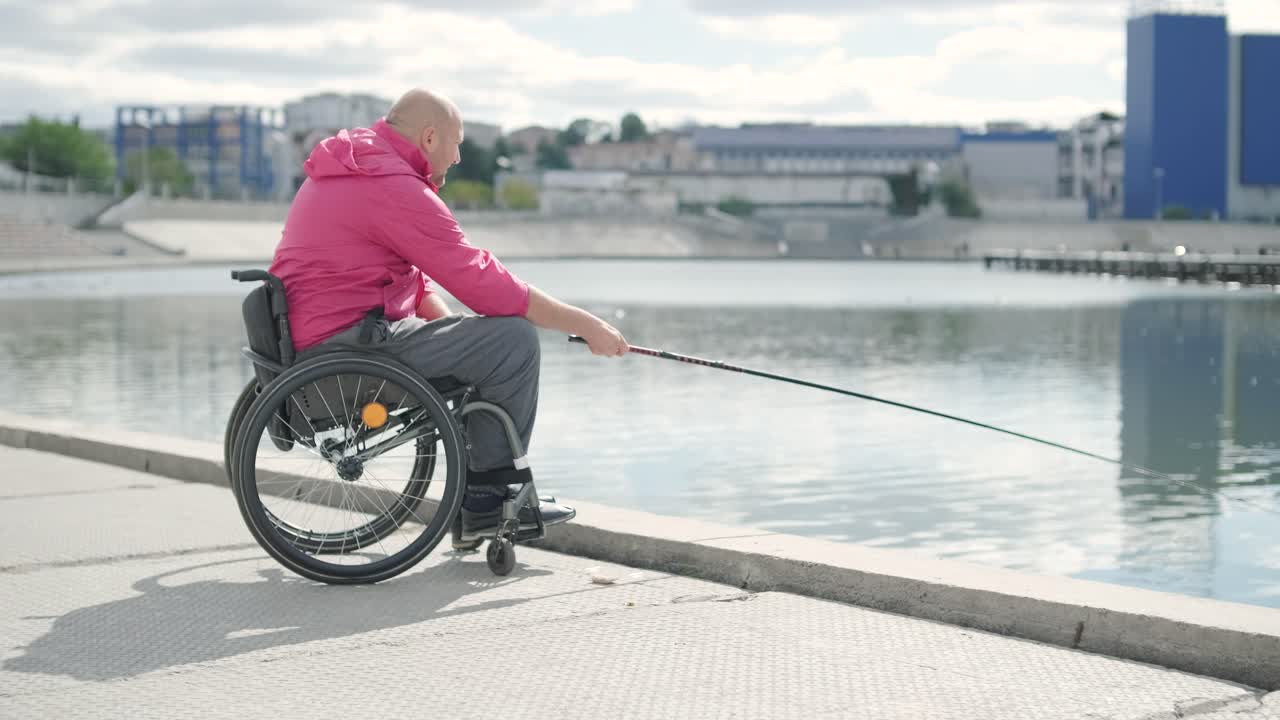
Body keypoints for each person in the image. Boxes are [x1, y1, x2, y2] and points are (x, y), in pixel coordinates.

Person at [269, 88, 628, 546]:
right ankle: (488, 500)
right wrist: (586, 325)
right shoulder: (390, 184)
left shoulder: (355, 165)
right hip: (348, 351)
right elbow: (482, 281)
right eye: (457, 143)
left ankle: (479, 499)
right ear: (431, 137)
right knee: (512, 341)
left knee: (483, 344)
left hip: (323, 346)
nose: (459, 157)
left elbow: (410, 283)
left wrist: (457, 336)